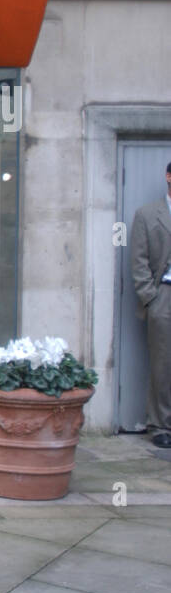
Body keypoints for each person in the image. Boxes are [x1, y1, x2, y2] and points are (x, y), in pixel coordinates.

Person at [130, 161, 171, 449]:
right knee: (163, 364)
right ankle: (160, 424)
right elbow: (139, 260)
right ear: (168, 177)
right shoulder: (146, 214)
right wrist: (151, 297)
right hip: (164, 295)